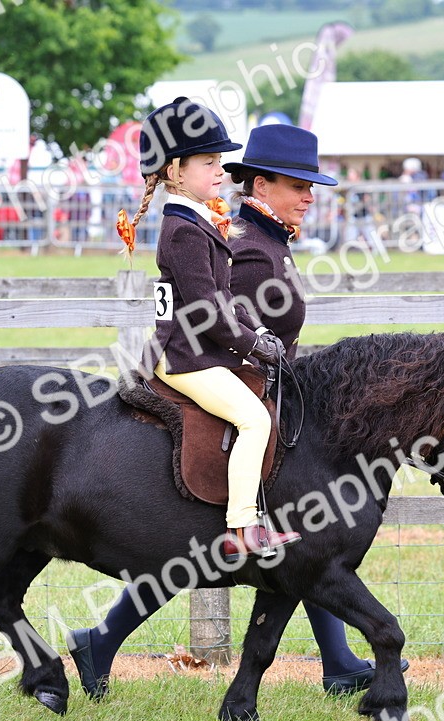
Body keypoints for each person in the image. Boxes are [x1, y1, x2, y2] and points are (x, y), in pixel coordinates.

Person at [69, 123, 409, 701]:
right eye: (299, 184)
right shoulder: (250, 246)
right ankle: (334, 657)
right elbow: (223, 326)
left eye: (312, 185)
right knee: (266, 533)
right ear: (261, 182)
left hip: (259, 385)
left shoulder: (264, 236)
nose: (309, 195)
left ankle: (335, 658)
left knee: (300, 533)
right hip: (236, 386)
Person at [116, 97, 301, 564]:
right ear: (175, 170)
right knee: (255, 419)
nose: (220, 171)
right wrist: (252, 342)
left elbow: (225, 299)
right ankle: (241, 527)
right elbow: (207, 307)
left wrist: (253, 331)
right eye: (209, 162)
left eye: (219, 161)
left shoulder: (199, 220)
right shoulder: (183, 230)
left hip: (202, 351)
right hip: (188, 358)